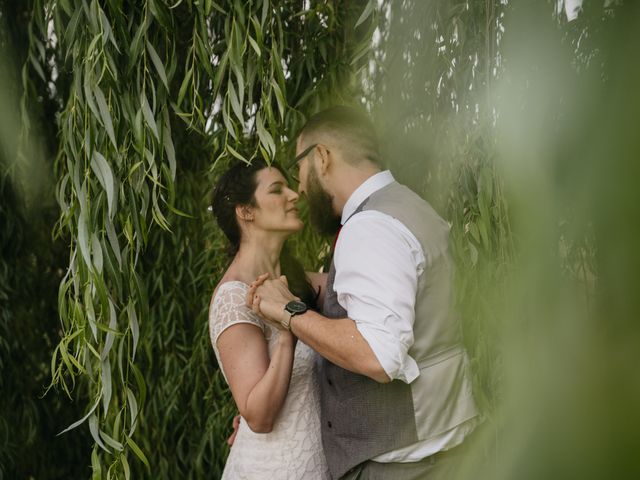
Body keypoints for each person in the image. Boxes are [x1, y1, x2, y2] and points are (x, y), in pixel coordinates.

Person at [247, 106, 479, 480]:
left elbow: (378, 355)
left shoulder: (369, 227)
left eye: (299, 171)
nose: (300, 188)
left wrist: (289, 311)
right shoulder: (412, 208)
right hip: (443, 445)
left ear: (321, 157)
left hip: (403, 465)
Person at [208, 160, 330, 479]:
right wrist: (287, 328)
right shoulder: (233, 298)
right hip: (274, 469)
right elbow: (259, 418)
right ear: (245, 211)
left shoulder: (299, 282)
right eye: (277, 189)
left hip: (318, 464)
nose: (294, 195)